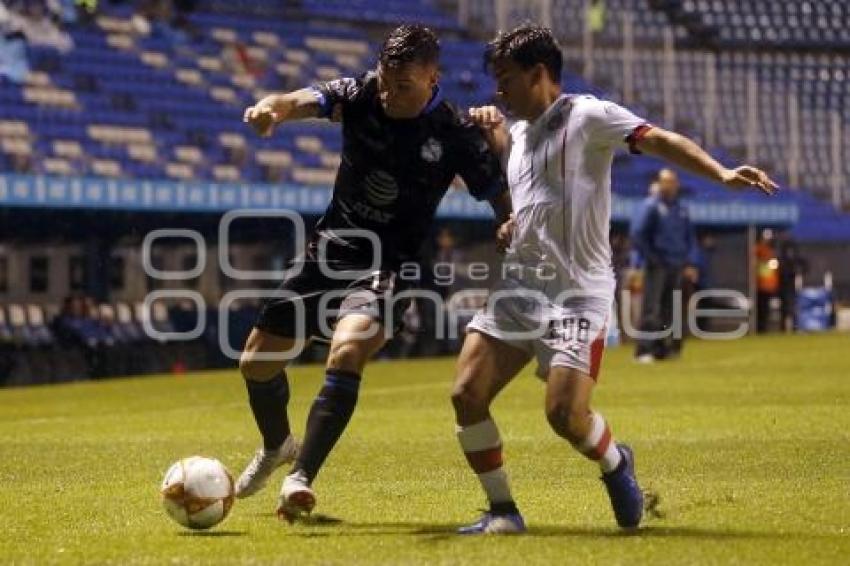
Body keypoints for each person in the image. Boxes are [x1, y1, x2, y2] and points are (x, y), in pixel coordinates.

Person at [453, 24, 778, 534]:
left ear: (539, 74)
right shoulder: (515, 136)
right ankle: (503, 512)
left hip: (577, 294)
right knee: (466, 394)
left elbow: (660, 140)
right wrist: (513, 220)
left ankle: (615, 463)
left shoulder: (587, 115)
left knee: (564, 417)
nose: (499, 90)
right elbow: (532, 194)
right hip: (519, 289)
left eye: (507, 78)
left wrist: (720, 174)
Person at [237, 24, 512, 522]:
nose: (388, 94)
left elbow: (500, 196)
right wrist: (272, 108)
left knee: (347, 352)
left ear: (433, 79)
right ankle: (278, 445)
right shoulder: (362, 91)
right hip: (329, 249)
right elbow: (303, 99)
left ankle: (301, 478)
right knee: (255, 364)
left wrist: (507, 201)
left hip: (391, 263)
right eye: (385, 80)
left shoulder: (454, 132)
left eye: (402, 86)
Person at [631, 168, 700, 362]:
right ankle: (644, 350)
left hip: (677, 264)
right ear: (660, 184)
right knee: (651, 308)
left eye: (673, 182)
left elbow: (690, 238)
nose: (670, 186)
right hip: (658, 264)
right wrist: (651, 257)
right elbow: (638, 234)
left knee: (671, 309)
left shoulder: (681, 210)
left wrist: (691, 263)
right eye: (666, 182)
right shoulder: (651, 206)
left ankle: (664, 348)